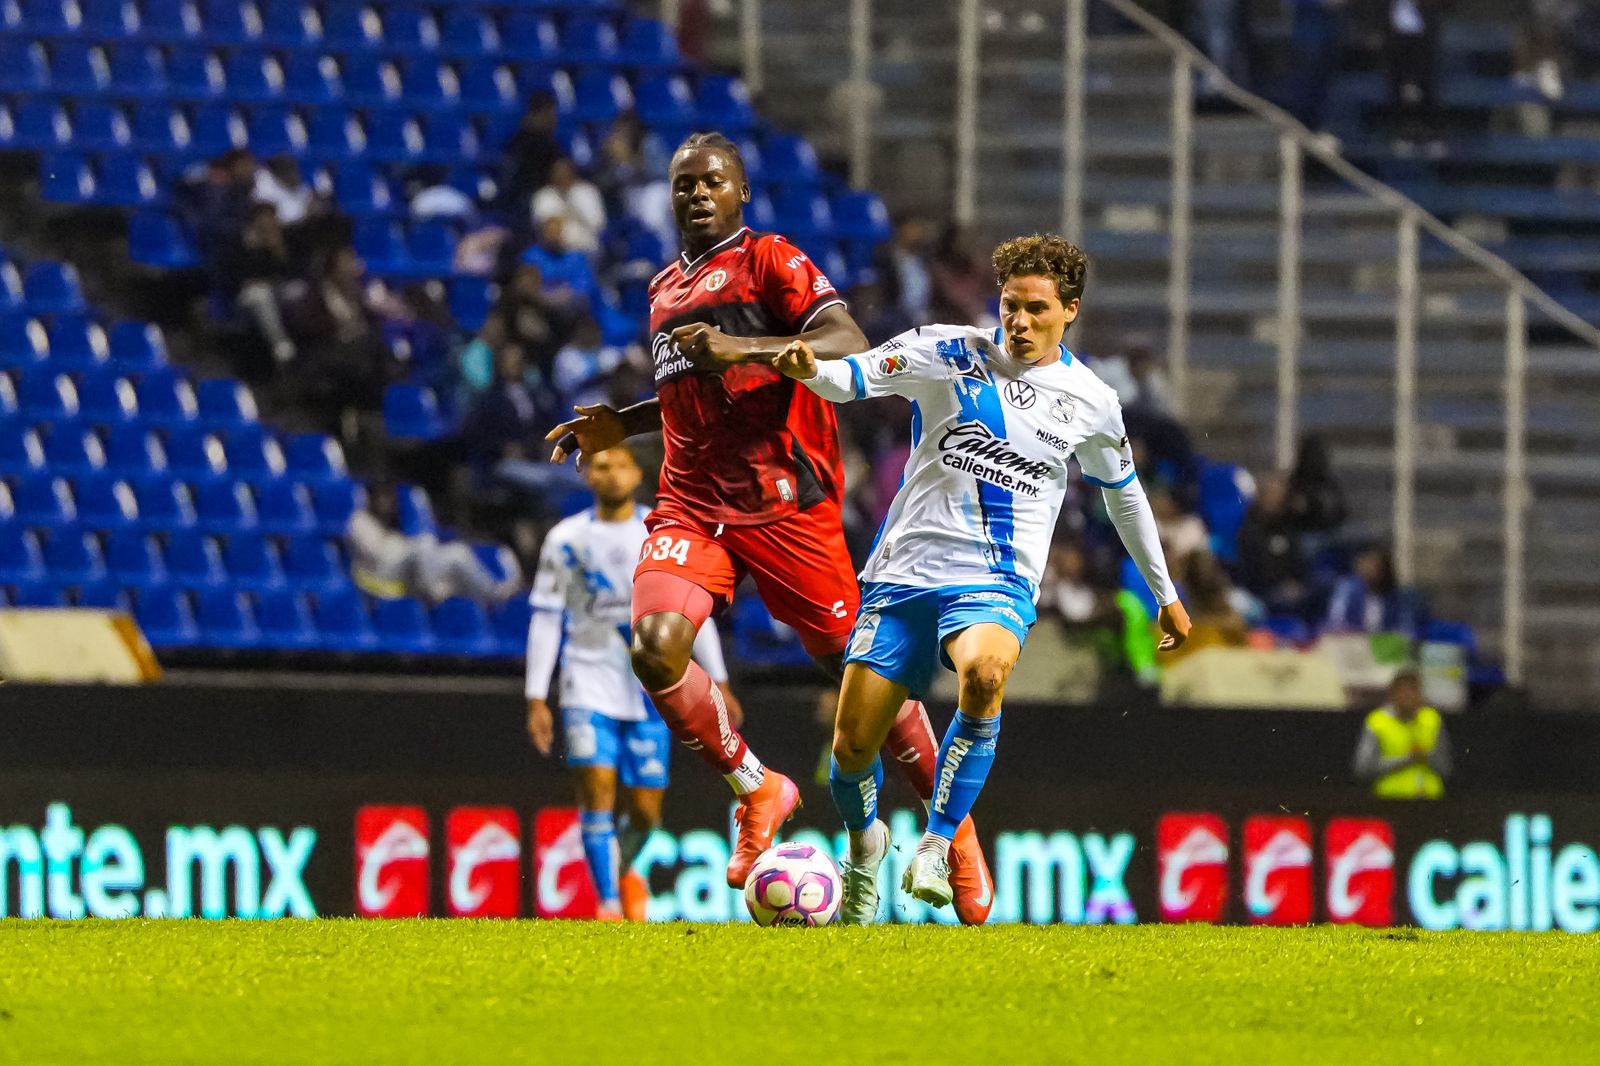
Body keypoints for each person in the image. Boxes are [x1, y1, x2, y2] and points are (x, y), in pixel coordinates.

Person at [544, 131, 994, 924]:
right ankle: (757, 787)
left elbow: (848, 343)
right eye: (684, 182)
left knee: (866, 685)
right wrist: (621, 424)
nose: (696, 193)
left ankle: (952, 832)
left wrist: (741, 344)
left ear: (740, 193)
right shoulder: (661, 289)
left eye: (712, 182)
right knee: (653, 646)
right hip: (693, 500)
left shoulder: (771, 261)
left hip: (786, 501)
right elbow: (693, 389)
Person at [768, 233, 1190, 922]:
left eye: (1036, 309)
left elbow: (1124, 496)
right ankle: (866, 844)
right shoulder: (946, 349)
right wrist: (807, 368)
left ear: (1070, 311)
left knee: (986, 676)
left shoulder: (1090, 401)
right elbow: (857, 377)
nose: (1018, 321)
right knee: (850, 749)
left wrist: (1165, 594)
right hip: (903, 573)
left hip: (995, 581)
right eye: (1009, 306)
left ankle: (936, 843)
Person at [525, 445, 740, 921]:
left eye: (620, 464)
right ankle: (606, 905)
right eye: (601, 466)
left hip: (649, 687)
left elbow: (688, 612)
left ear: (637, 472)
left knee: (646, 811)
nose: (612, 473)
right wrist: (537, 695)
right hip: (586, 678)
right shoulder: (565, 539)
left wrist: (720, 680)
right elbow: (545, 617)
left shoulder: (662, 535)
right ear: (589, 477)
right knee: (597, 791)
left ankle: (620, 870)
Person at [348, 483, 521, 605]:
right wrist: (402, 546)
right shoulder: (359, 520)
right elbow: (375, 553)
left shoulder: (390, 522)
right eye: (382, 497)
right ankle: (431, 591)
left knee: (458, 553)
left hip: (408, 570)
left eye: (388, 497)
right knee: (423, 545)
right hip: (379, 575)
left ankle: (493, 594)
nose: (386, 503)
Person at [1353, 669, 1450, 798]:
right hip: (1391, 799)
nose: (1408, 696)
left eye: (1413, 691)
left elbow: (1446, 767)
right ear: (1392, 694)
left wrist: (1427, 757)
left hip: (1429, 798)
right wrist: (1407, 759)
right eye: (1403, 692)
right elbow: (1363, 769)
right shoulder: (1377, 722)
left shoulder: (1432, 719)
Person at [1325, 545, 1428, 639]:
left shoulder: (1404, 598)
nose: (1370, 573)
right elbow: (1336, 624)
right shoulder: (1348, 590)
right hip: (1355, 647)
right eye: (1365, 569)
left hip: (1388, 649)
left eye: (1376, 569)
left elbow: (1408, 631)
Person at [532, 157, 607, 255]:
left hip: (587, 248)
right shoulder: (543, 196)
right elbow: (543, 227)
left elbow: (598, 223)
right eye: (558, 173)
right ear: (551, 175)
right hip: (556, 252)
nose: (562, 176)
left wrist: (575, 205)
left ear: (572, 172)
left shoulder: (588, 191)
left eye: (565, 172)